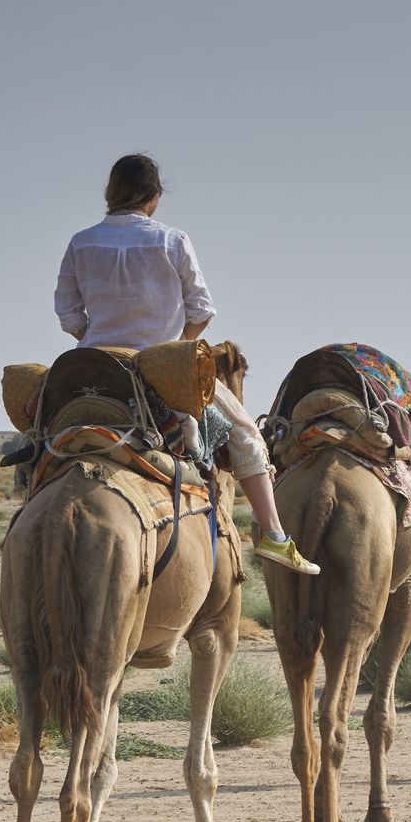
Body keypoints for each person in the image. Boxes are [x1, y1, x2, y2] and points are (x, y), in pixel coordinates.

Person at [54, 153, 319, 576]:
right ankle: (273, 536)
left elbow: (68, 314)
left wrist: (96, 336)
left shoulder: (81, 242)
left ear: (111, 193)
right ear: (154, 196)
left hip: (95, 363)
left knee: (45, 435)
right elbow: (202, 308)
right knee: (248, 436)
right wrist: (174, 349)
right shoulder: (171, 239)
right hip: (159, 364)